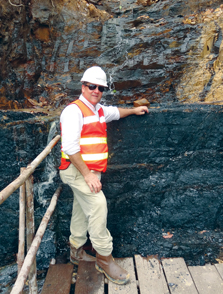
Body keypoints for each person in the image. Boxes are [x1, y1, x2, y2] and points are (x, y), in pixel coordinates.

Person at [59, 66, 149, 285]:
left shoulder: (98, 110)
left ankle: (76, 251)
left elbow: (116, 112)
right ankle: (104, 258)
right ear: (83, 86)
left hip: (89, 171)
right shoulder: (74, 111)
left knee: (82, 209)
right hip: (78, 171)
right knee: (98, 205)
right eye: (92, 86)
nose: (96, 90)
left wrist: (133, 110)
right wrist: (89, 175)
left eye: (101, 87)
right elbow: (70, 148)